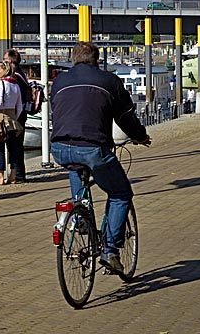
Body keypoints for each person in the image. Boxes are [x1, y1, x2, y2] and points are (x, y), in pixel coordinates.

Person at [50, 41, 150, 273]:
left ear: (73, 60)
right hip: (93, 148)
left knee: (76, 166)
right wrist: (140, 137)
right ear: (96, 61)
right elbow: (125, 117)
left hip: (60, 147)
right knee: (120, 193)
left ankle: (80, 215)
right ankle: (110, 251)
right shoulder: (109, 81)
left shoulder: (59, 81)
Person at [0, 61, 23, 186]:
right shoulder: (15, 85)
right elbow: (19, 107)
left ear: (4, 71)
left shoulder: (0, 83)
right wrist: (13, 117)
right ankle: (13, 176)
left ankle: (0, 177)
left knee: (0, 149)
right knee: (13, 149)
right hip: (12, 120)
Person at [4, 49, 28, 183]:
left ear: (11, 62)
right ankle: (18, 173)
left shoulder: (15, 78)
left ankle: (17, 174)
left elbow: (17, 100)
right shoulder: (21, 74)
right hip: (21, 114)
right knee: (17, 145)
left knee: (15, 145)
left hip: (17, 116)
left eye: (4, 60)